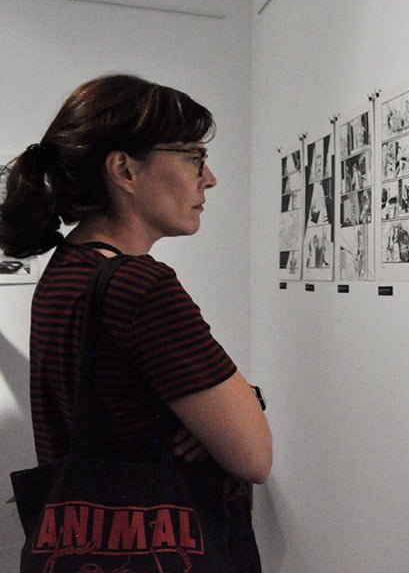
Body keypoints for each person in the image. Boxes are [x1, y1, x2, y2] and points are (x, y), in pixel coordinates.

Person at [0, 74, 271, 569]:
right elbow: (253, 457)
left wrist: (217, 420)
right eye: (194, 157)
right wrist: (241, 406)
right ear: (124, 169)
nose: (209, 178)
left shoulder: (67, 269)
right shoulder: (141, 286)